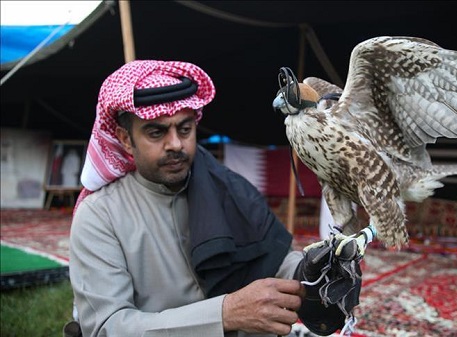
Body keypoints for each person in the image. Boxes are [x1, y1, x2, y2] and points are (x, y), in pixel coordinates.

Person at [67, 60, 363, 337]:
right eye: (156, 132)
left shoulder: (225, 187)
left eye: (185, 129)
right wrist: (223, 314)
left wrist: (312, 273)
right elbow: (108, 326)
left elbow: (272, 260)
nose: (176, 144)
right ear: (125, 139)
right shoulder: (99, 215)